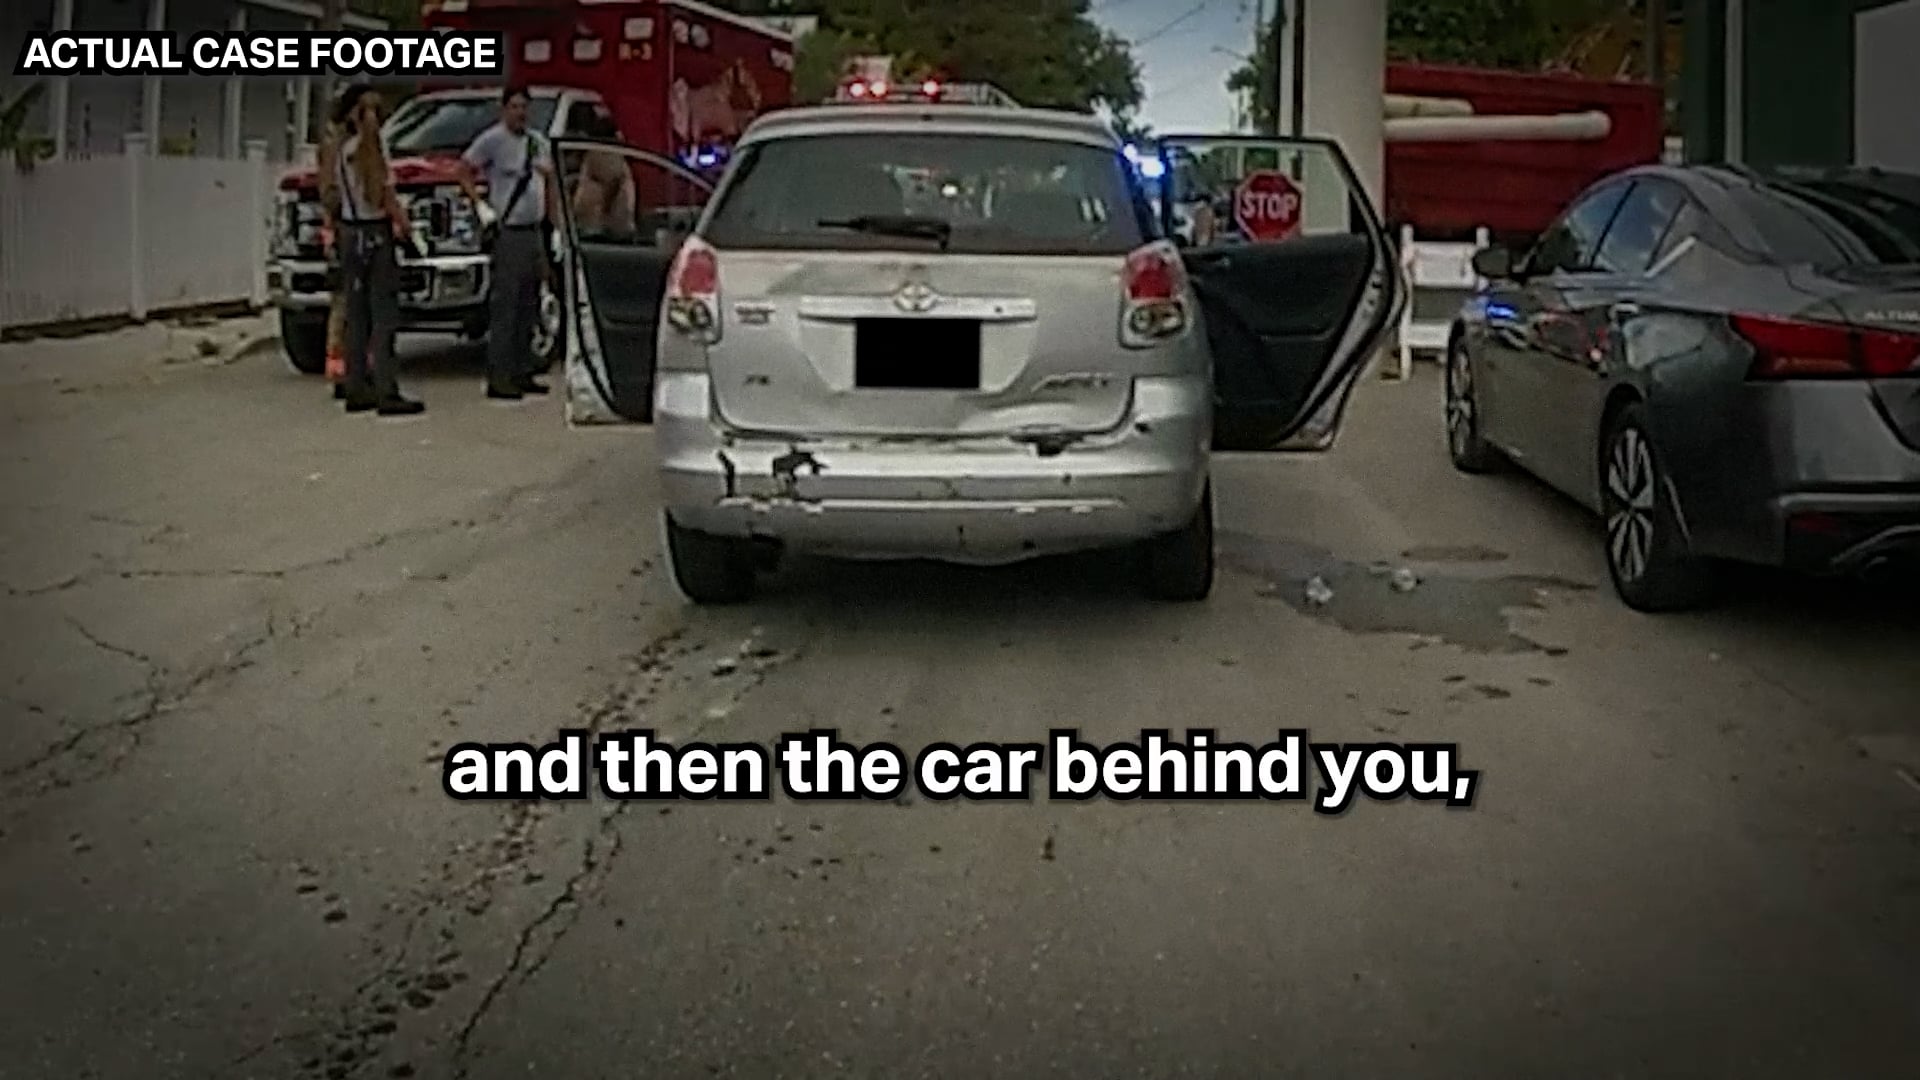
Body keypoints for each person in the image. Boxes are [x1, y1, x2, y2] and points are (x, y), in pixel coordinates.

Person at [325, 84, 423, 416]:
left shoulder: (341, 150)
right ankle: (386, 390)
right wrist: (406, 228)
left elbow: (334, 195)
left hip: (350, 232)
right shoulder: (372, 148)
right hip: (375, 232)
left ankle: (356, 386)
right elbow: (384, 194)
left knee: (356, 316)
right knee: (383, 315)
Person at [458, 85, 561, 401]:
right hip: (509, 231)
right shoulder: (492, 140)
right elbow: (463, 170)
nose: (520, 113)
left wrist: (555, 227)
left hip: (534, 230)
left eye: (524, 107)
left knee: (530, 303)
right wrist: (480, 205)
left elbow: (550, 184)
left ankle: (523, 370)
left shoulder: (537, 142)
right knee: (507, 305)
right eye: (514, 107)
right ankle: (499, 376)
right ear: (504, 109)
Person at [569, 109, 636, 240]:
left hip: (605, 226)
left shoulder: (605, 155)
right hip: (598, 224)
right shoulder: (602, 155)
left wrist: (606, 213)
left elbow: (611, 182)